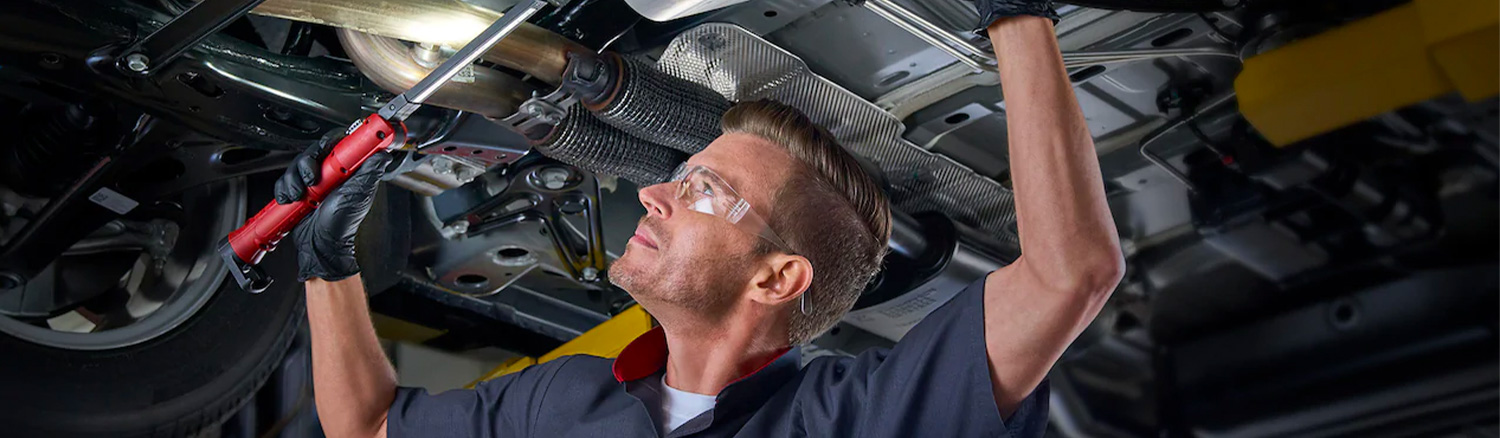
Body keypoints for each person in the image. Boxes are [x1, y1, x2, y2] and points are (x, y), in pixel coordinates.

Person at [278, 0, 1122, 436]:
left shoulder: (850, 424)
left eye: (705, 192)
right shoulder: (564, 406)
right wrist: (327, 261)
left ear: (779, 277)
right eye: (686, 179)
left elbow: (1071, 271)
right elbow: (373, 426)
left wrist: (1015, 16)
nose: (652, 193)